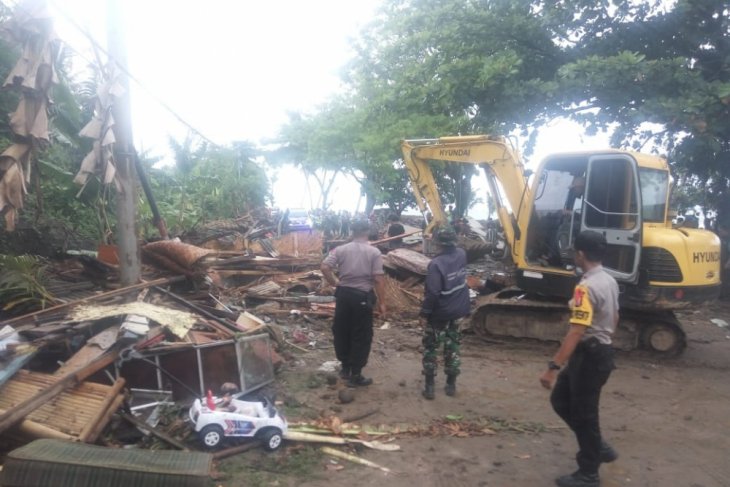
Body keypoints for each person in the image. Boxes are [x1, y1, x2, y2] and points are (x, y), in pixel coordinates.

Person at [540, 230, 619, 487]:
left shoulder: (585, 288)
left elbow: (576, 332)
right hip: (597, 353)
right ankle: (596, 446)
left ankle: (589, 473)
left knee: (585, 415)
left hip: (590, 357)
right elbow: (615, 317)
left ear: (580, 254)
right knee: (561, 400)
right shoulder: (608, 280)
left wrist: (553, 367)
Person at [321, 219, 387, 387]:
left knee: (342, 329)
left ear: (352, 231)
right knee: (361, 333)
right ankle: (356, 374)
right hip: (362, 297)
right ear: (367, 231)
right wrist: (382, 302)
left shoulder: (340, 250)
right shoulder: (374, 252)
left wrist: (334, 282)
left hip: (343, 295)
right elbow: (378, 279)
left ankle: (345, 368)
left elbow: (324, 267)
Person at [420, 224, 470, 399]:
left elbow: (433, 293)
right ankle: (451, 384)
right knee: (453, 345)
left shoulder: (436, 264)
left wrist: (424, 313)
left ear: (436, 243)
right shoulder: (462, 254)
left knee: (431, 347)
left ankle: (430, 386)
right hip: (458, 309)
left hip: (440, 314)